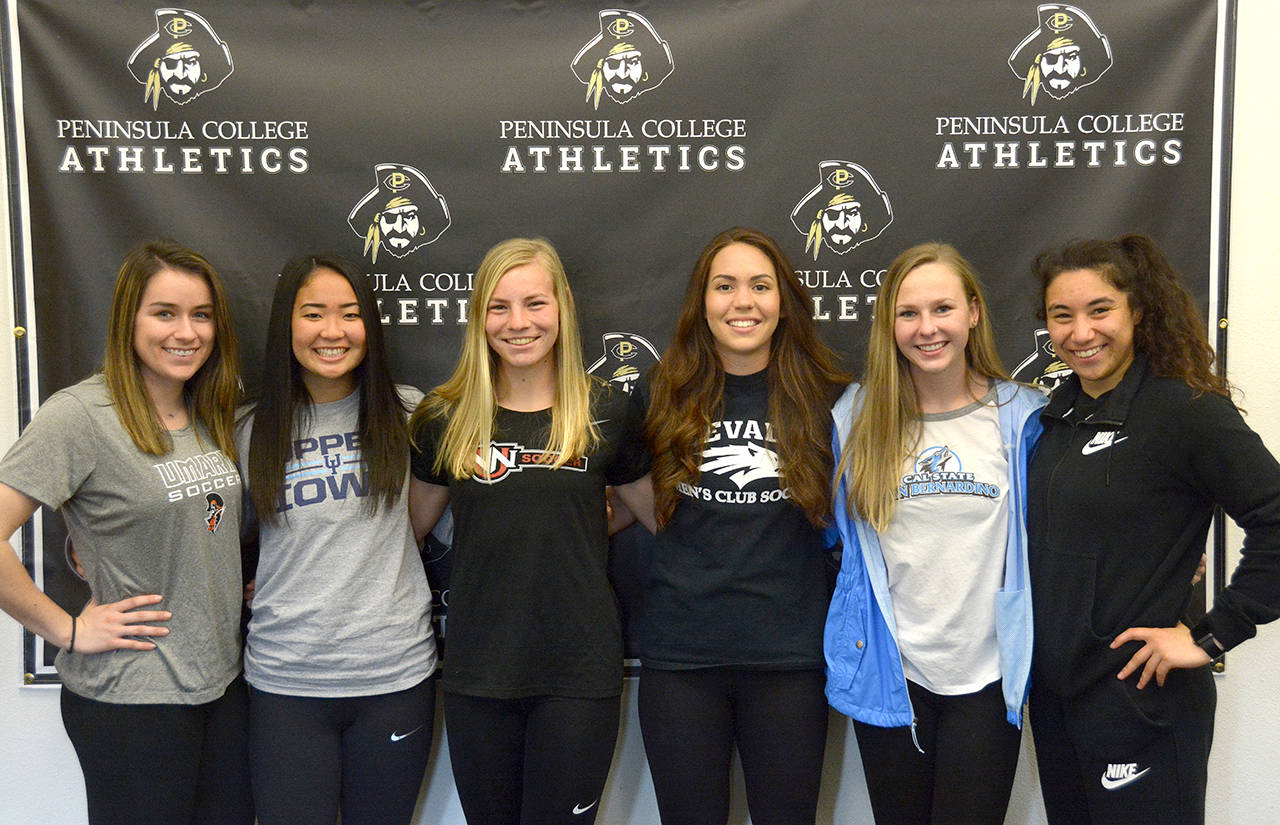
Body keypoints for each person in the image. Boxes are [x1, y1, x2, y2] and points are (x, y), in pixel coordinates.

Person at [1026, 233, 1280, 825]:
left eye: (1100, 310)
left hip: (1143, 702)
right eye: (1062, 316)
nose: (1080, 333)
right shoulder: (1056, 416)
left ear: (1137, 312)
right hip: (1059, 701)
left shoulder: (1184, 411)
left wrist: (1213, 635)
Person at [0, 239, 251, 825]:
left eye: (201, 315)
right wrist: (64, 628)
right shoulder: (80, 416)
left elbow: (200, 526)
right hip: (132, 697)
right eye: (164, 313)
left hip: (222, 687)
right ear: (127, 319)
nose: (186, 332)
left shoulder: (208, 411)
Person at [408, 237, 651, 825]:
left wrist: (578, 522)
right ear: (478, 316)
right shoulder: (444, 416)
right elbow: (404, 534)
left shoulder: (608, 410)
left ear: (563, 306)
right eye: (499, 306)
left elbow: (656, 514)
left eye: (535, 304)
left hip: (579, 671)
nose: (518, 323)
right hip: (478, 670)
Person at [825, 242, 1046, 825]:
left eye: (943, 309)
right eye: (908, 313)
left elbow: (1078, 521)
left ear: (973, 312)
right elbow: (824, 535)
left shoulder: (1025, 417)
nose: (927, 328)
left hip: (988, 677)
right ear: (888, 324)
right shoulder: (853, 416)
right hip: (889, 675)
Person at [633, 226, 847, 825]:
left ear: (785, 300)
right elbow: (626, 502)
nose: (742, 302)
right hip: (681, 660)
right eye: (724, 286)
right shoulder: (661, 397)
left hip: (789, 660)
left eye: (760, 285)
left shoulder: (832, 400)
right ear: (702, 303)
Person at [238, 253, 436, 825]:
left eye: (350, 314)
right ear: (286, 326)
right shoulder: (248, 427)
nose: (333, 332)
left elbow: (434, 520)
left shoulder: (410, 414)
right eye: (313, 314)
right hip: (285, 681)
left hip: (394, 676)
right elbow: (204, 526)